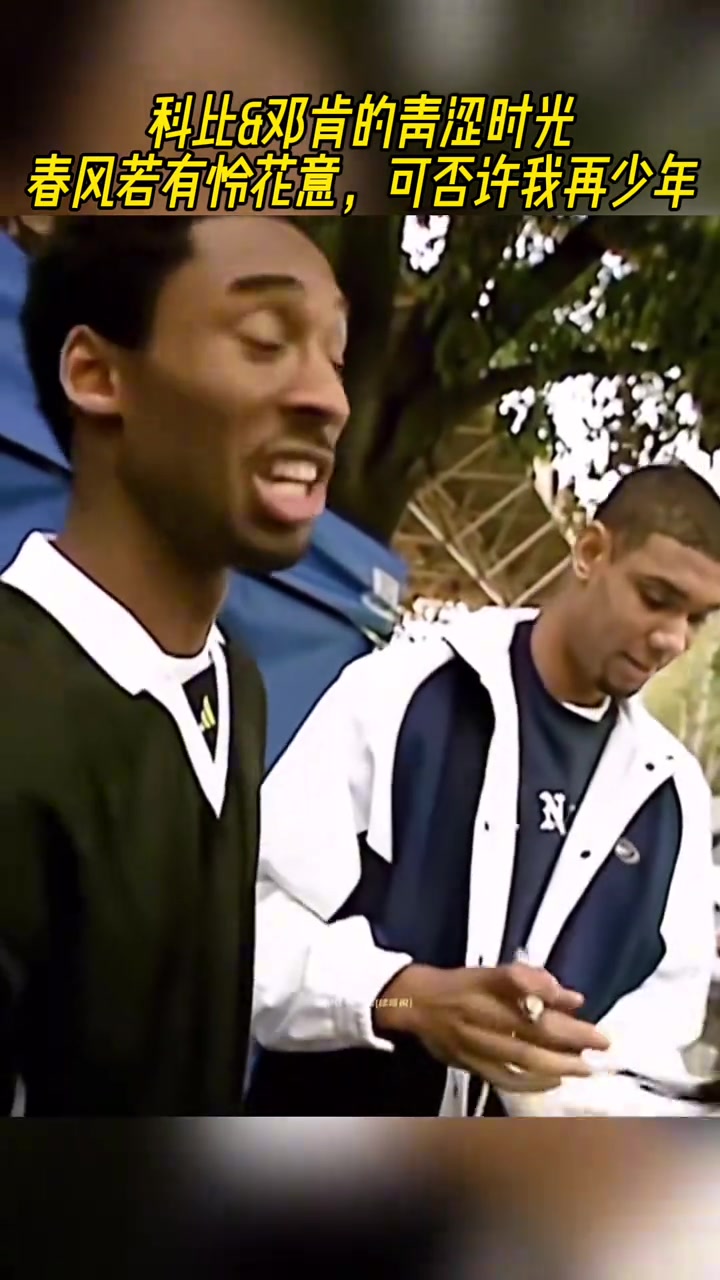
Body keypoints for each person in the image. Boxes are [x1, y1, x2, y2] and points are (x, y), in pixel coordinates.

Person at [0, 214, 349, 1115]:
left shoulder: (233, 687)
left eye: (336, 353)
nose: (329, 398)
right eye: (265, 340)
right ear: (97, 375)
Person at [249, 463, 719, 1117]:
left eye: (697, 618)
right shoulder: (403, 694)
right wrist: (405, 997)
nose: (673, 639)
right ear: (591, 552)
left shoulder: (673, 799)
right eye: (656, 598)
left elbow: (651, 1047)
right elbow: (252, 937)